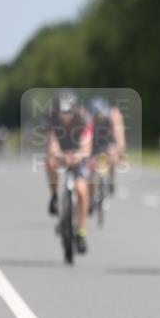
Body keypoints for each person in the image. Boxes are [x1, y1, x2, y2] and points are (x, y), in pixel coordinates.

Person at [44, 89, 93, 254]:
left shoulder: (84, 117)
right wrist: (58, 155)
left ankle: (81, 231)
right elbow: (52, 143)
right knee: (50, 162)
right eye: (62, 111)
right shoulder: (51, 118)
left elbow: (87, 145)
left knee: (81, 190)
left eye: (69, 111)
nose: (65, 115)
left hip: (79, 152)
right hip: (61, 151)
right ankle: (54, 196)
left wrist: (78, 156)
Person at [86, 96, 126, 211]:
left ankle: (111, 180)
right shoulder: (87, 118)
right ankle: (91, 197)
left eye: (101, 117)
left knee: (113, 157)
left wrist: (118, 151)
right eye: (96, 118)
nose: (99, 120)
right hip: (92, 142)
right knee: (90, 169)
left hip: (107, 141)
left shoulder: (113, 115)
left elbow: (120, 138)